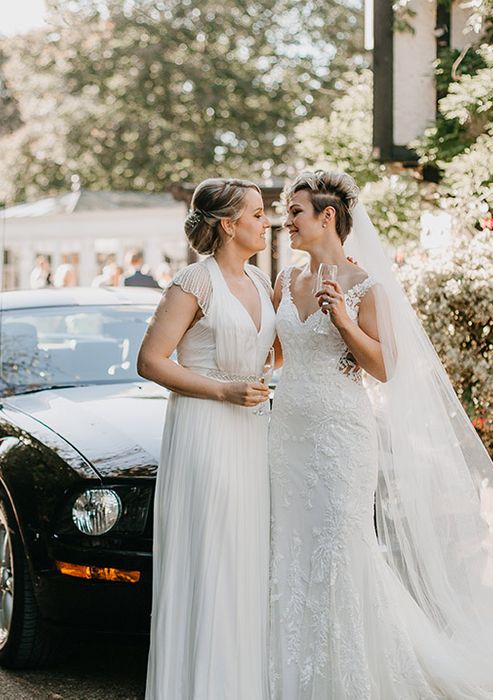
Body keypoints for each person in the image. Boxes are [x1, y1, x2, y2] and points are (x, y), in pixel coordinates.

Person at [268, 170, 493, 699]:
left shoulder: (365, 285)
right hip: (289, 434)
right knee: (292, 547)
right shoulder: (285, 281)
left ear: (327, 217)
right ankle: (293, 668)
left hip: (339, 438)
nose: (287, 222)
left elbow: (386, 368)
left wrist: (346, 323)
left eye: (295, 211)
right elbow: (278, 353)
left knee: (339, 548)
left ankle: (349, 674)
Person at [138, 178, 274, 699]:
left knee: (245, 561)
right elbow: (150, 361)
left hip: (250, 433)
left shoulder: (262, 283)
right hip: (205, 432)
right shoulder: (193, 282)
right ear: (228, 224)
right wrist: (223, 391)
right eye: (258, 214)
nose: (267, 222)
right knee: (212, 557)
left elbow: (266, 353)